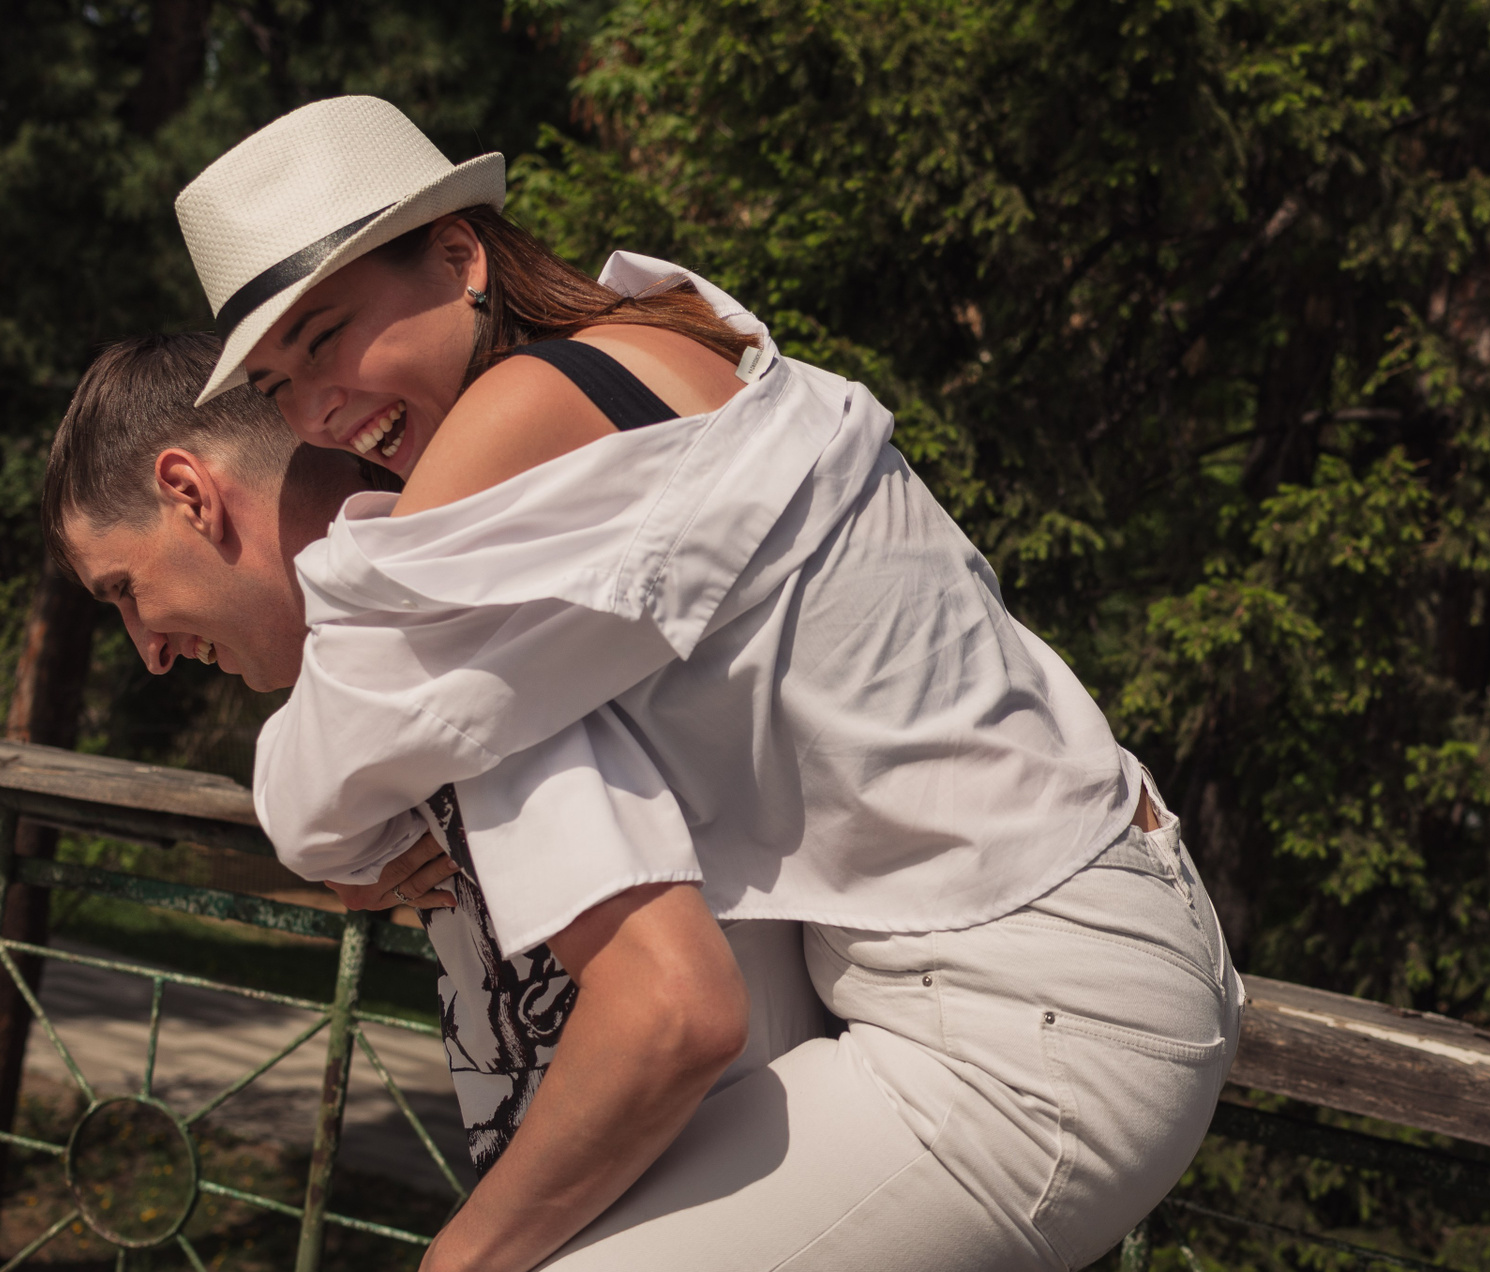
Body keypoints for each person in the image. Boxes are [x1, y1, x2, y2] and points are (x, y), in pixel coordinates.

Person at [172, 96, 1244, 1272]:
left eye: (325, 337)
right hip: (1086, 941)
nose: (317, 412)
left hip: (1023, 1038)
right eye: (274, 386)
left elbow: (318, 778)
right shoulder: (669, 340)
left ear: (460, 257)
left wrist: (350, 840)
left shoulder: (524, 409)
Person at [42, 332, 824, 1175]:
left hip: (697, 1189)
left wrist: (475, 1244)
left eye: (125, 590)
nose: (149, 650)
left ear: (190, 494)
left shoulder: (444, 648)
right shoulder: (426, 657)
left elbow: (670, 1009)